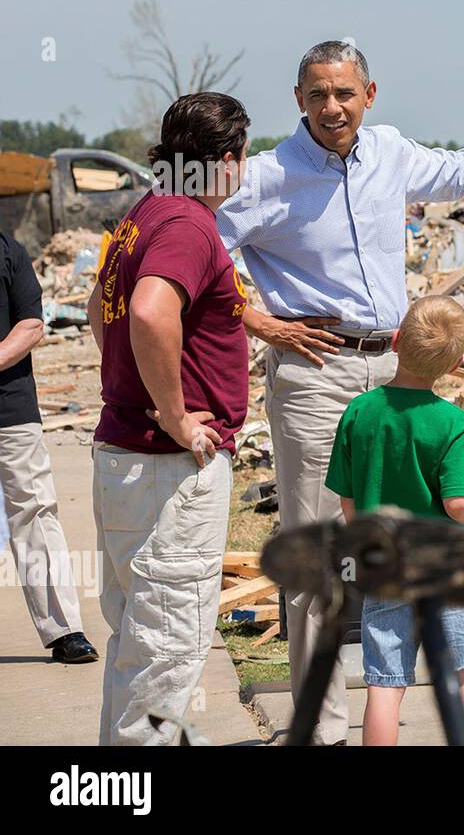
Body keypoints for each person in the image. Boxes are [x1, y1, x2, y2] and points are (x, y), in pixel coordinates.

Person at [216, 40, 464, 745]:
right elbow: (200, 252)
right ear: (298, 99)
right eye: (317, 94)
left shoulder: (392, 153)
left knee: (441, 531)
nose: (332, 107)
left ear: (369, 95)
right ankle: (321, 728)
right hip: (316, 372)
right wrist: (262, 323)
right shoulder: (263, 177)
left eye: (345, 93)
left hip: (398, 369)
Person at [88, 92, 250, 745]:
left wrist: (133, 384)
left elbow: (103, 314)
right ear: (229, 160)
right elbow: (151, 312)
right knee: (167, 648)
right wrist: (175, 413)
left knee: (138, 641)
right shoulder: (186, 223)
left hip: (128, 457)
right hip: (167, 469)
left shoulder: (146, 211)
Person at [324, 295, 464, 745]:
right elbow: (458, 503)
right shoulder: (453, 422)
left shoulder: (360, 412)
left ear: (396, 340)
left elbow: (348, 498)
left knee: (384, 679)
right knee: (457, 675)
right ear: (456, 363)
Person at [0, 227, 97, 664]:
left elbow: (31, 324)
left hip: (10, 409)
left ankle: (65, 630)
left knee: (34, 511)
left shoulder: (8, 250)